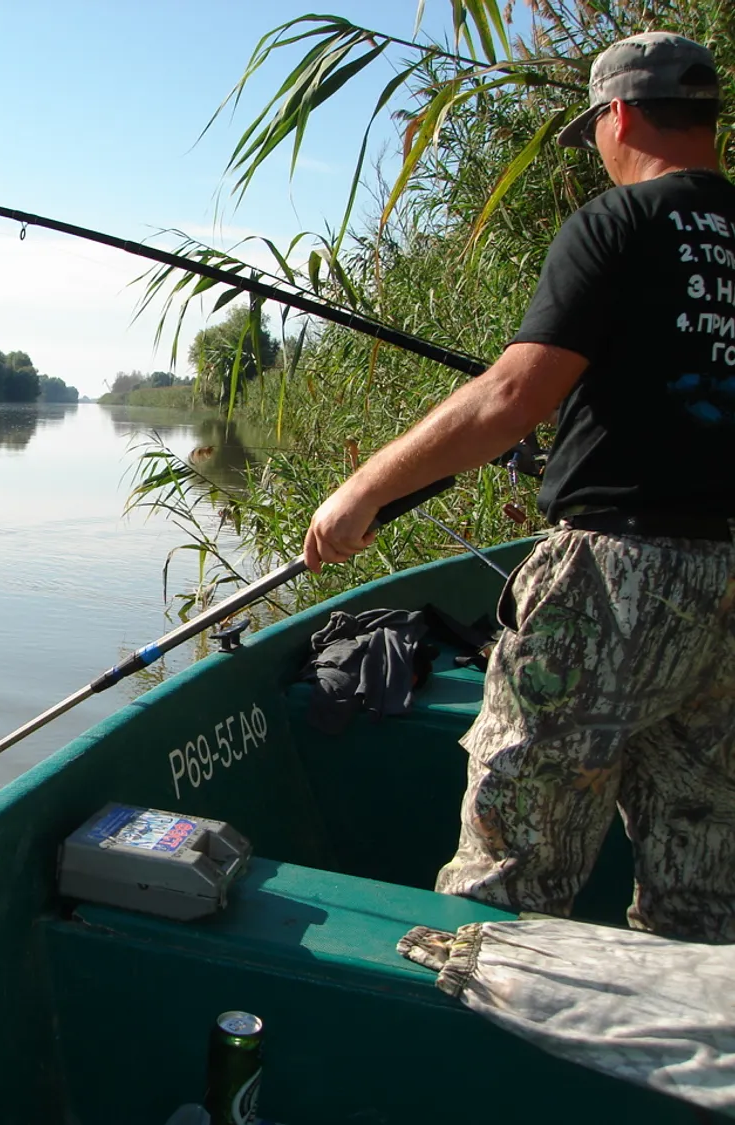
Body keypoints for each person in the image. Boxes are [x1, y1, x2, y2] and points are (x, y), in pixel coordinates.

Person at [303, 31, 735, 943]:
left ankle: (477, 1047)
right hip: (728, 583)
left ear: (618, 115)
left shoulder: (618, 225)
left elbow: (510, 397)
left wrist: (361, 492)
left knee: (511, 857)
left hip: (619, 580)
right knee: (705, 874)